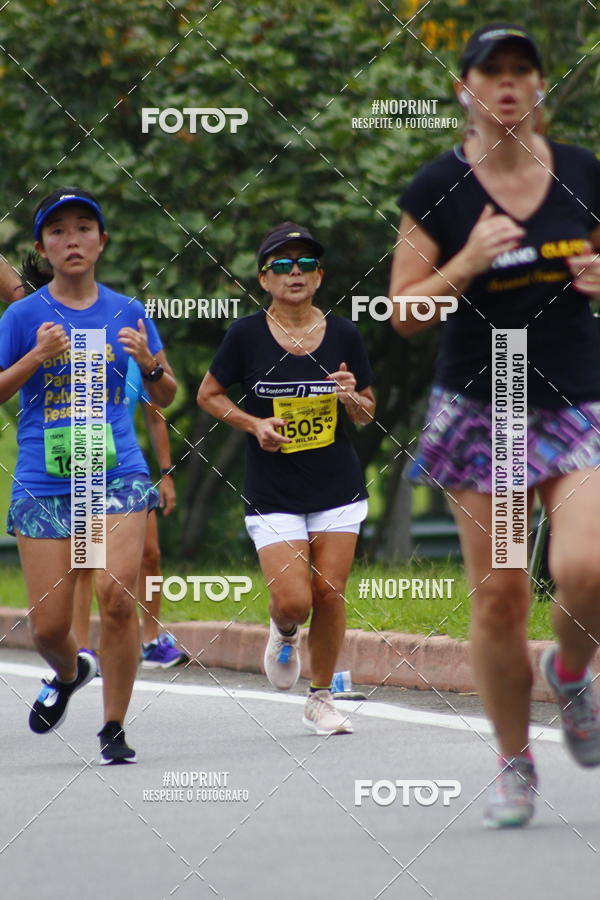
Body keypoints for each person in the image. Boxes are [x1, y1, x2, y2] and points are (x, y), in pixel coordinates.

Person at [390, 23, 600, 827]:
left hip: (576, 396)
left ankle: (572, 673)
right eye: (492, 72)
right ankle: (515, 764)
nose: (508, 84)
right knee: (503, 596)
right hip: (487, 407)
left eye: (523, 71)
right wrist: (468, 260)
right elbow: (405, 310)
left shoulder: (581, 172)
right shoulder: (437, 187)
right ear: (465, 90)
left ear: (540, 87)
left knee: (586, 570)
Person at [0, 187, 177, 763]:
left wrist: (149, 364)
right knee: (49, 629)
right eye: (57, 232)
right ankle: (73, 670)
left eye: (83, 228)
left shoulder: (128, 311)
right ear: (41, 247)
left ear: (101, 242)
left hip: (114, 472)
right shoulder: (21, 316)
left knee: (117, 598)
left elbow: (167, 394)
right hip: (45, 479)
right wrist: (33, 359)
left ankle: (115, 726)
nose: (71, 240)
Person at [198, 223, 375, 735]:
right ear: (264, 279)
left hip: (336, 485)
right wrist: (254, 424)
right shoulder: (245, 335)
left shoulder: (344, 333)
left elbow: (367, 413)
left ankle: (320, 698)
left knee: (330, 590)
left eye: (304, 264)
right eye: (281, 264)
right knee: (295, 599)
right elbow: (208, 395)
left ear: (319, 277)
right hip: (273, 488)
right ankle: (283, 629)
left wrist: (350, 398)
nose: (293, 273)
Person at [73, 357, 187, 669]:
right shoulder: (83, 355)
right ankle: (81, 651)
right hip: (84, 467)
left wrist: (166, 473)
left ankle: (150, 641)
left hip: (129, 472)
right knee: (86, 558)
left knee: (150, 554)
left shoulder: (136, 360)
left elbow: (154, 417)